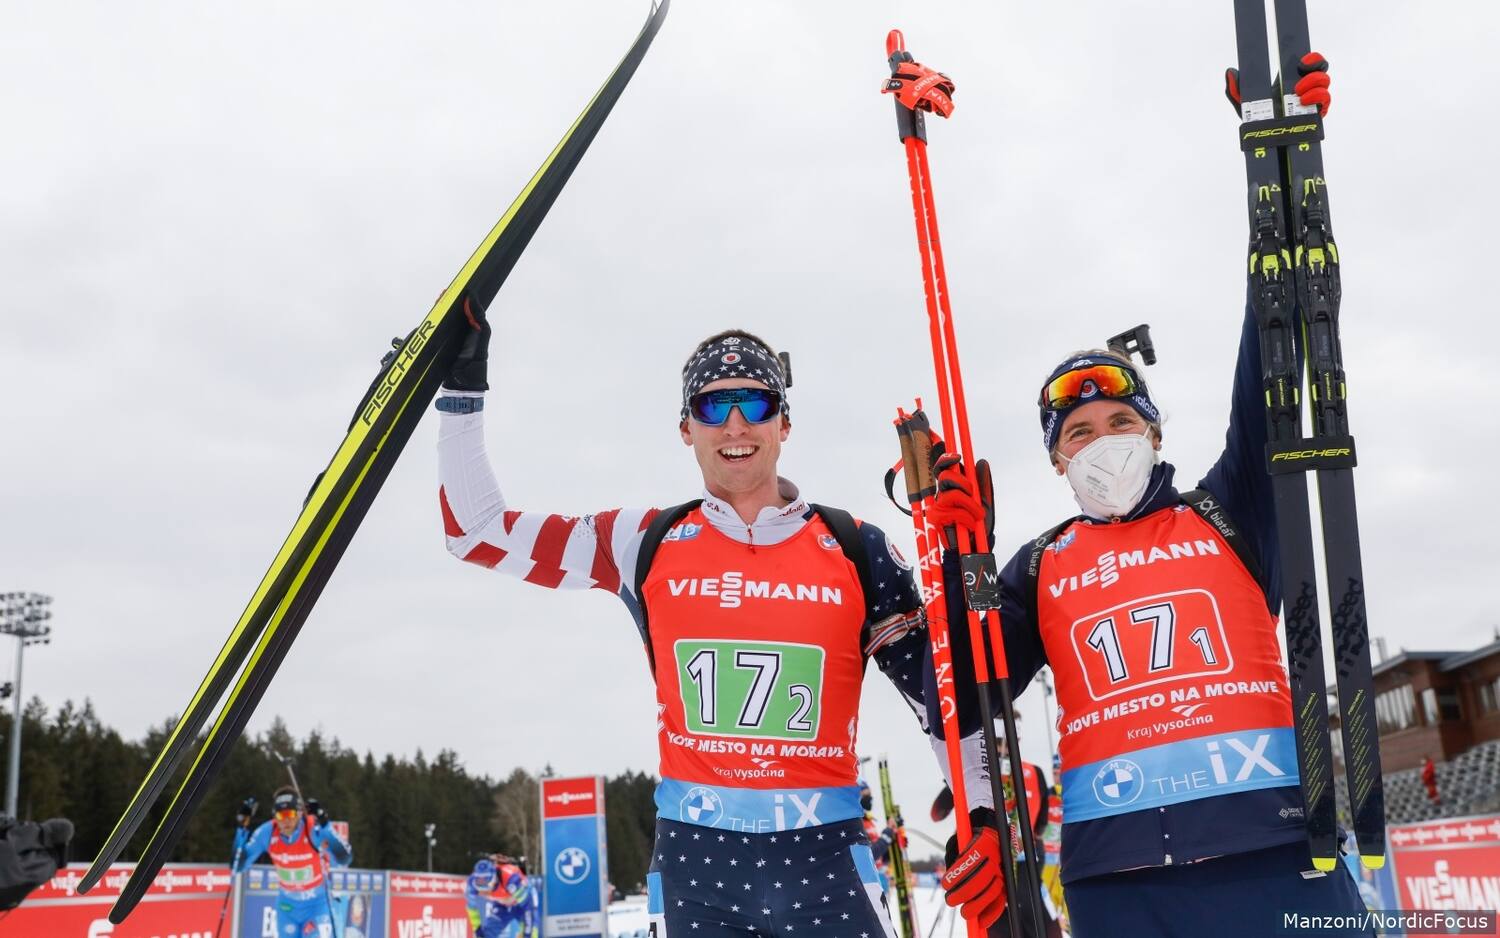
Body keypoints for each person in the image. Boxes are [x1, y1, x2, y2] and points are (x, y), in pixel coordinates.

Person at [924, 59, 1372, 938]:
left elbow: (1279, 354)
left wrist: (1280, 169)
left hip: (1276, 856)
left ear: (1156, 433)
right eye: (1076, 434)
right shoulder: (1040, 564)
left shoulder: (1229, 509)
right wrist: (954, 555)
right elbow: (971, 688)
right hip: (1116, 883)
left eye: (1119, 418)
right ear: (1055, 462)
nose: (1101, 443)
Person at [436, 322, 937, 938]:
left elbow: (937, 702)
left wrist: (992, 819)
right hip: (699, 868)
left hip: (825, 862)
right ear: (685, 428)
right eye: (710, 405)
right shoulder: (643, 539)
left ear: (784, 423)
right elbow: (475, 532)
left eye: (755, 402)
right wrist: (461, 399)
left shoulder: (858, 547)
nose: (734, 426)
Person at [232, 787, 352, 938]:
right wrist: (242, 827)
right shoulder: (267, 832)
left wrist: (325, 824)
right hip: (287, 907)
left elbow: (344, 858)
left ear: (299, 813)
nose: (286, 820)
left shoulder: (311, 828)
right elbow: (237, 866)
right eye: (280, 815)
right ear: (275, 816)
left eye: (290, 813)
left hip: (317, 905)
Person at [466, 856, 538, 938]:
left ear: (493, 878)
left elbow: (527, 907)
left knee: (531, 934)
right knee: (485, 935)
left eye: (485, 883)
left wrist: (527, 933)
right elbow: (472, 907)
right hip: (502, 905)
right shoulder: (472, 884)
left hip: (523, 903)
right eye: (479, 883)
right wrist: (477, 929)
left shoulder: (511, 879)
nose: (483, 890)